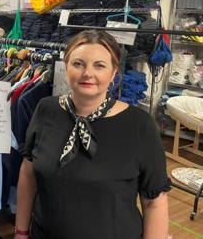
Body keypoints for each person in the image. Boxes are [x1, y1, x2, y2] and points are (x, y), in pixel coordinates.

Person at [14, 30, 171, 239]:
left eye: (99, 65)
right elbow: (28, 173)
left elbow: (154, 201)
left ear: (114, 72)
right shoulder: (46, 110)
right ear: (66, 66)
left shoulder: (139, 125)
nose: (87, 73)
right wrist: (21, 232)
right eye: (78, 64)